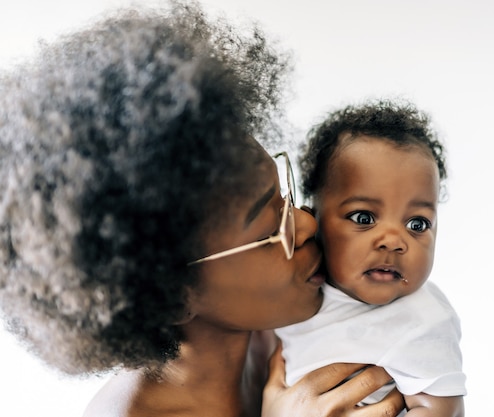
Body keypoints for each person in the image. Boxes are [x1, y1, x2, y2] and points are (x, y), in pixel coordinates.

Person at [0, 2, 405, 416]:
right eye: (273, 231)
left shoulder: (286, 331)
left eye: (283, 196)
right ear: (173, 294)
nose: (305, 223)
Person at [275, 101, 467, 416]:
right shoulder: (291, 290)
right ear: (314, 219)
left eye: (416, 224)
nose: (394, 241)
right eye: (364, 217)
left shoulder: (423, 319)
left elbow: (443, 410)